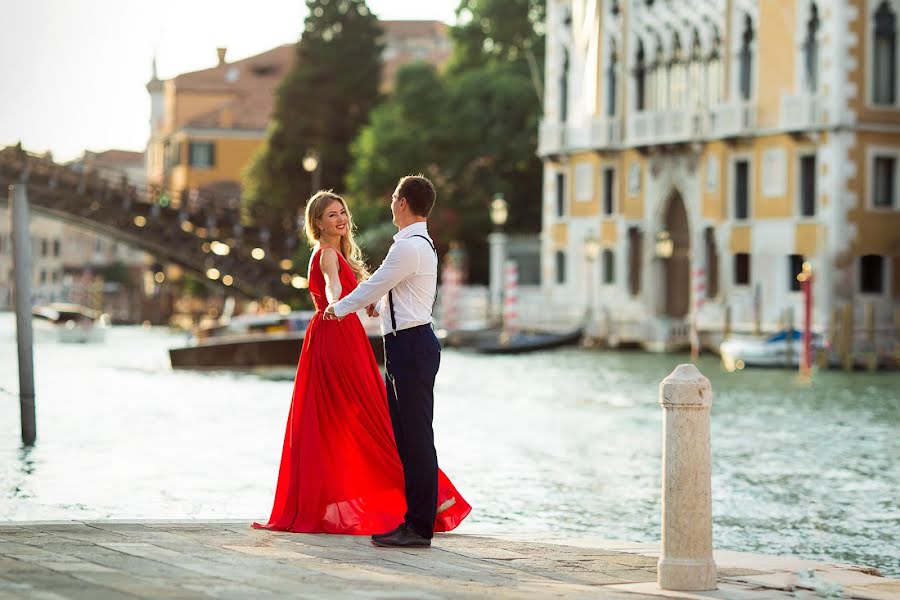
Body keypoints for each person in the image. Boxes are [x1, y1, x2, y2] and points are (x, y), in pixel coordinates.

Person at [253, 190, 469, 538]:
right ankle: (426, 502)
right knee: (372, 420)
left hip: (350, 335)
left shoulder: (393, 248)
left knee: (372, 421)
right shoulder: (328, 256)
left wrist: (355, 305)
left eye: (342, 212)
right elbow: (334, 289)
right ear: (317, 223)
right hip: (338, 335)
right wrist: (341, 305)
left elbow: (365, 291)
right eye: (331, 214)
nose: (340, 219)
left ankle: (419, 505)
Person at [323, 175, 454, 548]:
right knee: (408, 438)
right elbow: (392, 297)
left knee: (416, 438)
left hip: (411, 347)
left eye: (394, 197)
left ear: (403, 203)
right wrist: (375, 308)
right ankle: (414, 522)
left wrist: (339, 309)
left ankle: (419, 527)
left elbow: (375, 283)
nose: (391, 203)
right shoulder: (413, 245)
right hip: (405, 344)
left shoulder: (409, 248)